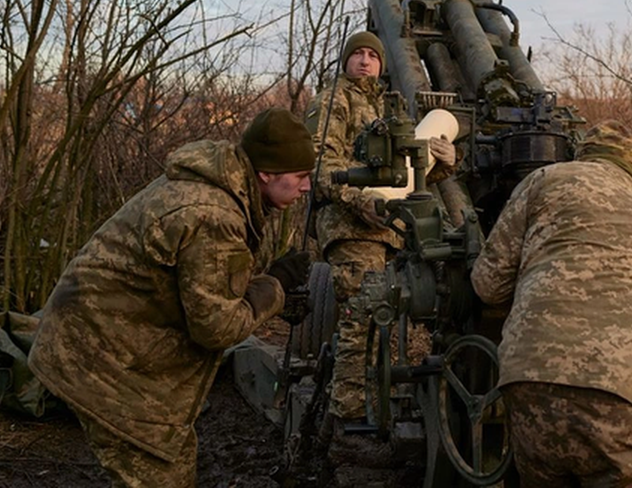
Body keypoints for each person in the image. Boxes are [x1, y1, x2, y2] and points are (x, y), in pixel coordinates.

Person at [28, 107, 317, 488]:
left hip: (110, 344)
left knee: (174, 458)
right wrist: (275, 286)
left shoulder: (217, 185)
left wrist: (265, 287)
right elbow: (216, 328)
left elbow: (206, 290)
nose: (307, 187)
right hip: (102, 359)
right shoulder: (213, 214)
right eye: (300, 176)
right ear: (266, 172)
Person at [471, 120, 632, 487]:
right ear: (631, 166)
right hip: (623, 394)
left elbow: (488, 286)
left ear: (582, 153)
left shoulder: (544, 181)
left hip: (530, 380)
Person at [304, 31, 456, 428]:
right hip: (351, 226)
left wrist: (445, 161)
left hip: (390, 231)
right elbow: (318, 166)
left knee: (385, 321)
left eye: (373, 54)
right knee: (364, 314)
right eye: (358, 54)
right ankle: (351, 418)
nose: (366, 60)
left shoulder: (388, 108)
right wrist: (359, 201)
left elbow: (410, 176)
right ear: (346, 61)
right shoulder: (334, 99)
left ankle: (376, 402)